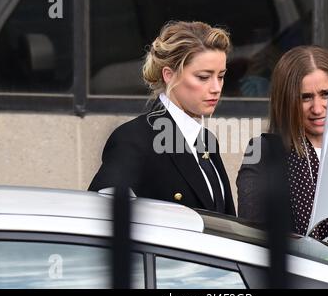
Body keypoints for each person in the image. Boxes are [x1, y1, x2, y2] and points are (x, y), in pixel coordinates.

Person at [237, 45, 328, 256]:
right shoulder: (264, 153)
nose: (318, 108)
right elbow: (253, 238)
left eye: (325, 94)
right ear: (286, 101)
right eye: (305, 97)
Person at [89, 21, 236, 216]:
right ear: (169, 75)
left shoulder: (206, 141)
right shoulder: (133, 139)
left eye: (221, 76)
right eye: (203, 77)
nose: (216, 88)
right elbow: (100, 218)